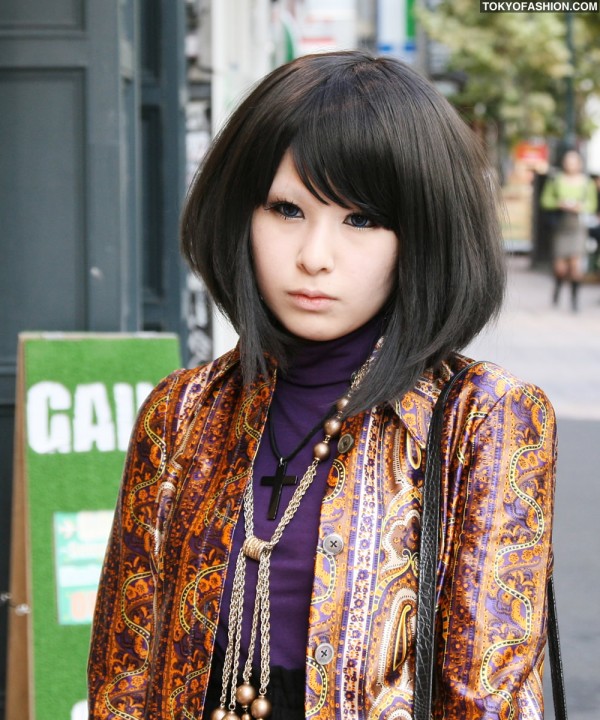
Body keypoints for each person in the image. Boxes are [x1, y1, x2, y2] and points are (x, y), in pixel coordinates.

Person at [88, 51, 557, 720]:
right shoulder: (183, 411)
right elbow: (122, 681)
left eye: (361, 219)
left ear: (423, 234)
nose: (314, 255)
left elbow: (485, 700)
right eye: (286, 209)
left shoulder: (485, 421)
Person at [541, 149, 598, 311]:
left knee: (575, 265)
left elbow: (592, 205)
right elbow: (545, 200)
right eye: (568, 161)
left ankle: (574, 301)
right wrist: (560, 203)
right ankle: (558, 288)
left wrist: (580, 206)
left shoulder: (587, 183)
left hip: (578, 227)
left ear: (579, 164)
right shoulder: (556, 180)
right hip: (561, 226)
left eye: (573, 161)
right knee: (560, 268)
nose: (570, 164)